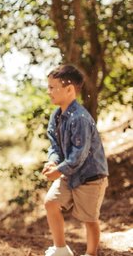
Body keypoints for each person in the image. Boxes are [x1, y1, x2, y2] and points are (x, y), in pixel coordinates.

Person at [42, 65, 109, 256]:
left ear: (69, 89)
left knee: (89, 219)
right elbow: (54, 145)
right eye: (48, 87)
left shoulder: (79, 118)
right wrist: (52, 162)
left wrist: (59, 171)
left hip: (90, 177)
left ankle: (91, 253)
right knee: (51, 203)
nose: (49, 92)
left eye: (53, 87)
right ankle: (61, 249)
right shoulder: (56, 116)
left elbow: (79, 154)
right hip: (68, 172)